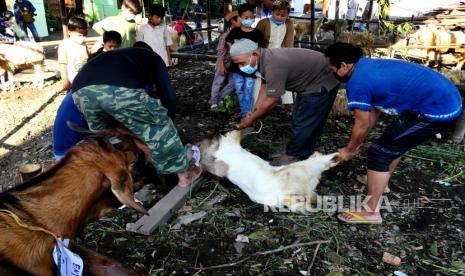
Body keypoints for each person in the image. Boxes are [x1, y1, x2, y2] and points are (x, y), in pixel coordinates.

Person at [324, 42, 463, 224]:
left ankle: (371, 212)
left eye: (331, 67)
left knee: (379, 152)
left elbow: (362, 123)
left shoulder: (357, 83)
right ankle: (381, 181)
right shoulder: (365, 65)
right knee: (392, 143)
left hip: (436, 110)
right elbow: (371, 113)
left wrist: (350, 150)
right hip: (443, 96)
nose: (329, 71)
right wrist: (357, 143)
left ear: (344, 65)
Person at [71, 46, 200, 187]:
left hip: (79, 91)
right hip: (116, 89)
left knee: (107, 137)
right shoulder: (154, 58)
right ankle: (183, 175)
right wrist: (168, 122)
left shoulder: (122, 58)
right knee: (159, 124)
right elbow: (168, 96)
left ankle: (109, 178)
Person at [232, 39, 340, 165]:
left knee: (304, 121)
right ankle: (302, 151)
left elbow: (273, 99)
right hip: (311, 82)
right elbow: (265, 85)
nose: (241, 67)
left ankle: (294, 155)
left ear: (254, 55)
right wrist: (254, 111)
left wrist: (252, 118)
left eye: (241, 63)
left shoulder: (273, 65)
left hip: (321, 83)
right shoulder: (265, 59)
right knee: (303, 118)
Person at [226, 3, 265, 117]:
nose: (248, 20)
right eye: (245, 18)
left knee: (248, 89)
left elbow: (261, 48)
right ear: (240, 18)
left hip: (251, 67)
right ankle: (246, 112)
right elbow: (228, 41)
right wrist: (234, 50)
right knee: (239, 89)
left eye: (251, 17)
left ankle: (246, 114)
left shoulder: (257, 33)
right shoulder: (235, 32)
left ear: (254, 17)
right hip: (237, 67)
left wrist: (253, 55)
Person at [255, 0, 294, 109]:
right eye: (277, 14)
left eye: (283, 15)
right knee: (260, 79)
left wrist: (288, 56)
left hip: (281, 54)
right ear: (272, 12)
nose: (280, 17)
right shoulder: (263, 23)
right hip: (264, 54)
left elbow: (289, 42)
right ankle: (256, 104)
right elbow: (256, 40)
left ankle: (288, 102)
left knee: (284, 77)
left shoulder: (289, 23)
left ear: (287, 15)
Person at [210, 11, 240, 110]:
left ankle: (221, 98)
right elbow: (221, 52)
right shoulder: (225, 36)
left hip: (234, 63)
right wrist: (221, 65)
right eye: (241, 20)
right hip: (224, 62)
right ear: (233, 21)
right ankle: (214, 102)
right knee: (218, 82)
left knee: (234, 83)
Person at [58, 16, 89, 92]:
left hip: (84, 78)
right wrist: (65, 80)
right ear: (69, 32)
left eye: (84, 35)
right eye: (79, 35)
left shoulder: (83, 43)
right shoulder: (65, 44)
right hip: (72, 81)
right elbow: (62, 63)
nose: (82, 38)